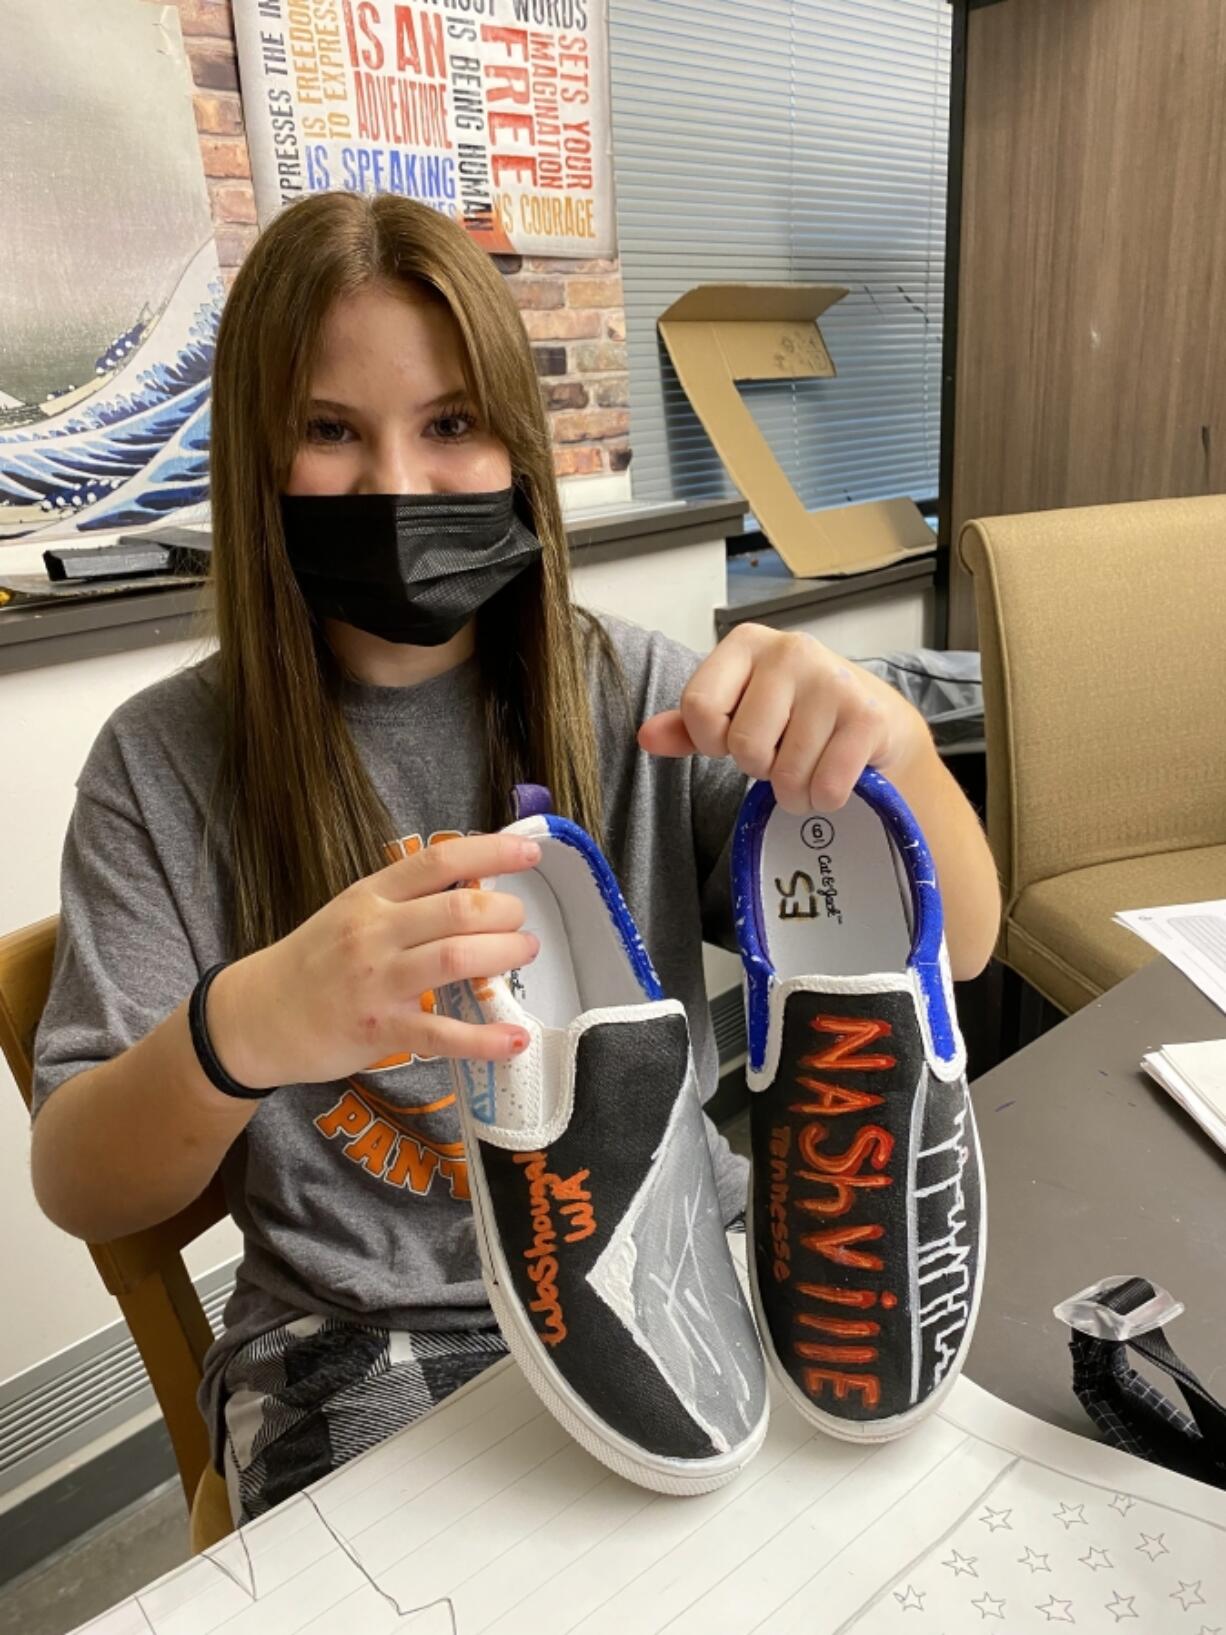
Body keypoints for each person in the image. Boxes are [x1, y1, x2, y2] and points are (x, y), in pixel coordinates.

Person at [29, 192, 1001, 1523]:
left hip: (684, 1262)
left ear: (516, 444)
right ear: (254, 453)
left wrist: (889, 747)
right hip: (358, 1337)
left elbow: (954, 954)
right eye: (327, 431)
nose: (397, 482)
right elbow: (84, 1183)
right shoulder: (160, 765)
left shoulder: (644, 694)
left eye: (449, 425)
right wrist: (243, 1026)